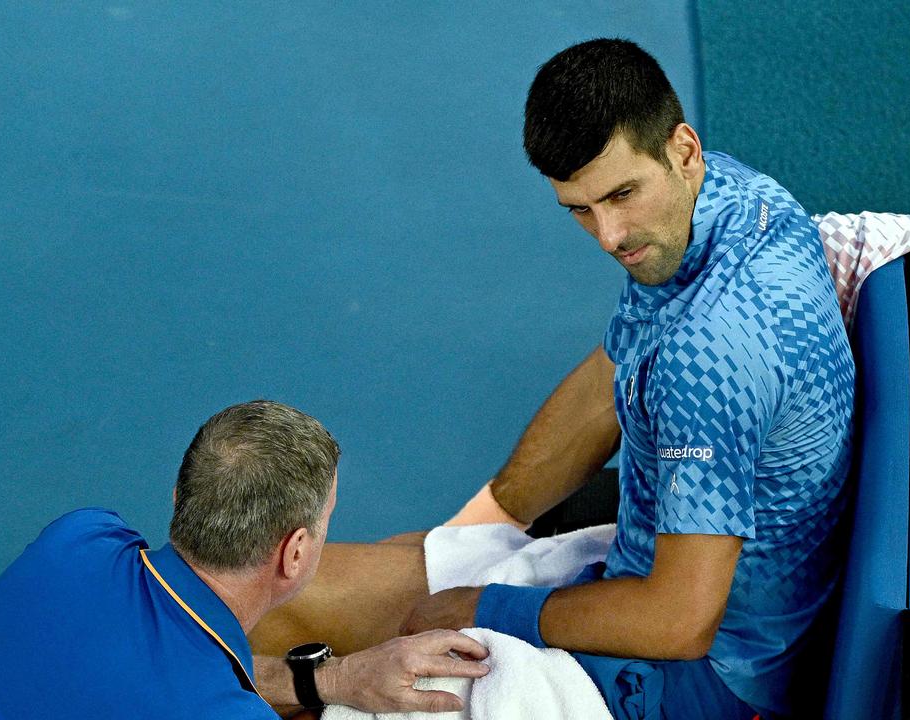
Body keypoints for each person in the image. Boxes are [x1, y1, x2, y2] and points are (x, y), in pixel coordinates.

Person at [250, 39, 854, 720]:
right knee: (277, 601)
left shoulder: (709, 352)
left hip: (689, 680)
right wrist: (484, 525)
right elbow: (615, 369)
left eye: (622, 194)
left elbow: (681, 620)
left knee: (320, 676)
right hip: (644, 576)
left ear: (681, 149)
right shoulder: (740, 201)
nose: (609, 235)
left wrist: (486, 602)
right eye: (580, 208)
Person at [0, 400, 491, 719]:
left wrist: (335, 678)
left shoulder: (77, 539)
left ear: (179, 497)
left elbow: (158, 680)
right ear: (293, 553)